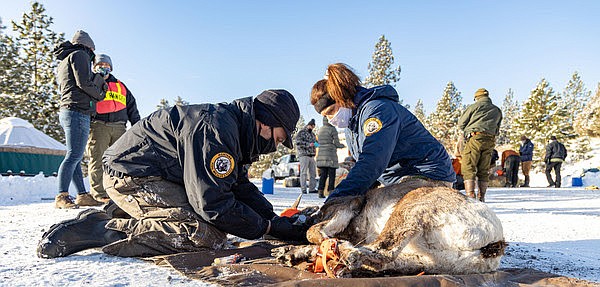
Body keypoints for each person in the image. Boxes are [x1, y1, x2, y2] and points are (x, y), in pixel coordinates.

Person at [37, 90, 308, 259]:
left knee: (217, 221)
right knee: (202, 234)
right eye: (277, 139)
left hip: (154, 173)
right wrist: (267, 228)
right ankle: (97, 230)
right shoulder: (216, 132)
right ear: (264, 123)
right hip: (131, 176)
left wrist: (270, 217)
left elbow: (237, 185)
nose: (273, 147)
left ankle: (123, 213)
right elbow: (213, 204)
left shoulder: (234, 129)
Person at [310, 63, 455, 205]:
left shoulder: (378, 111)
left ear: (342, 98)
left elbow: (373, 161)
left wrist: (335, 200)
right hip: (398, 179)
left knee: (378, 209)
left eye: (331, 112)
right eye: (325, 116)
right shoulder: (352, 125)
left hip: (426, 175)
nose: (330, 119)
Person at [52, 30, 107, 209]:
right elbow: (83, 83)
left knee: (75, 155)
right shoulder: (80, 55)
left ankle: (82, 195)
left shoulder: (66, 60)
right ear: (88, 45)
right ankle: (62, 195)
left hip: (69, 110)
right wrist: (99, 93)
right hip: (77, 110)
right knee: (73, 155)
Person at [86, 54, 141, 203]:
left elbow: (132, 107)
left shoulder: (120, 85)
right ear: (94, 67)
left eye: (106, 65)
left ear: (111, 67)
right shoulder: (91, 83)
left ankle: (120, 191)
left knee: (120, 160)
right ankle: (99, 194)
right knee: (97, 159)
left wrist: (138, 127)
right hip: (99, 126)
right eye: (99, 65)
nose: (103, 67)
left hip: (119, 128)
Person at [458, 88, 502, 202]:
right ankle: (482, 196)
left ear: (477, 98)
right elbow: (497, 128)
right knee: (484, 168)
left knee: (469, 165)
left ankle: (470, 195)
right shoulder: (497, 110)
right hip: (490, 140)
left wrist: (468, 131)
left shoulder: (474, 107)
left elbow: (461, 123)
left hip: (475, 138)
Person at [315, 115, 345, 198]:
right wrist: (342, 146)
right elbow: (337, 143)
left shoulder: (320, 129)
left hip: (321, 154)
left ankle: (320, 191)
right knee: (332, 174)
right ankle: (331, 191)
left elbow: (317, 142)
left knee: (323, 175)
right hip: (330, 154)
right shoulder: (332, 129)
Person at [295, 118, 318, 194]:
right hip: (304, 155)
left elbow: (316, 143)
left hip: (312, 156)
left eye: (313, 127)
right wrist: (309, 145)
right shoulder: (301, 133)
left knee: (313, 173)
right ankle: (303, 189)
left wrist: (316, 144)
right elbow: (298, 142)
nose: (312, 128)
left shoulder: (313, 135)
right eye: (311, 126)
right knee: (303, 173)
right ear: (308, 125)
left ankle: (312, 189)